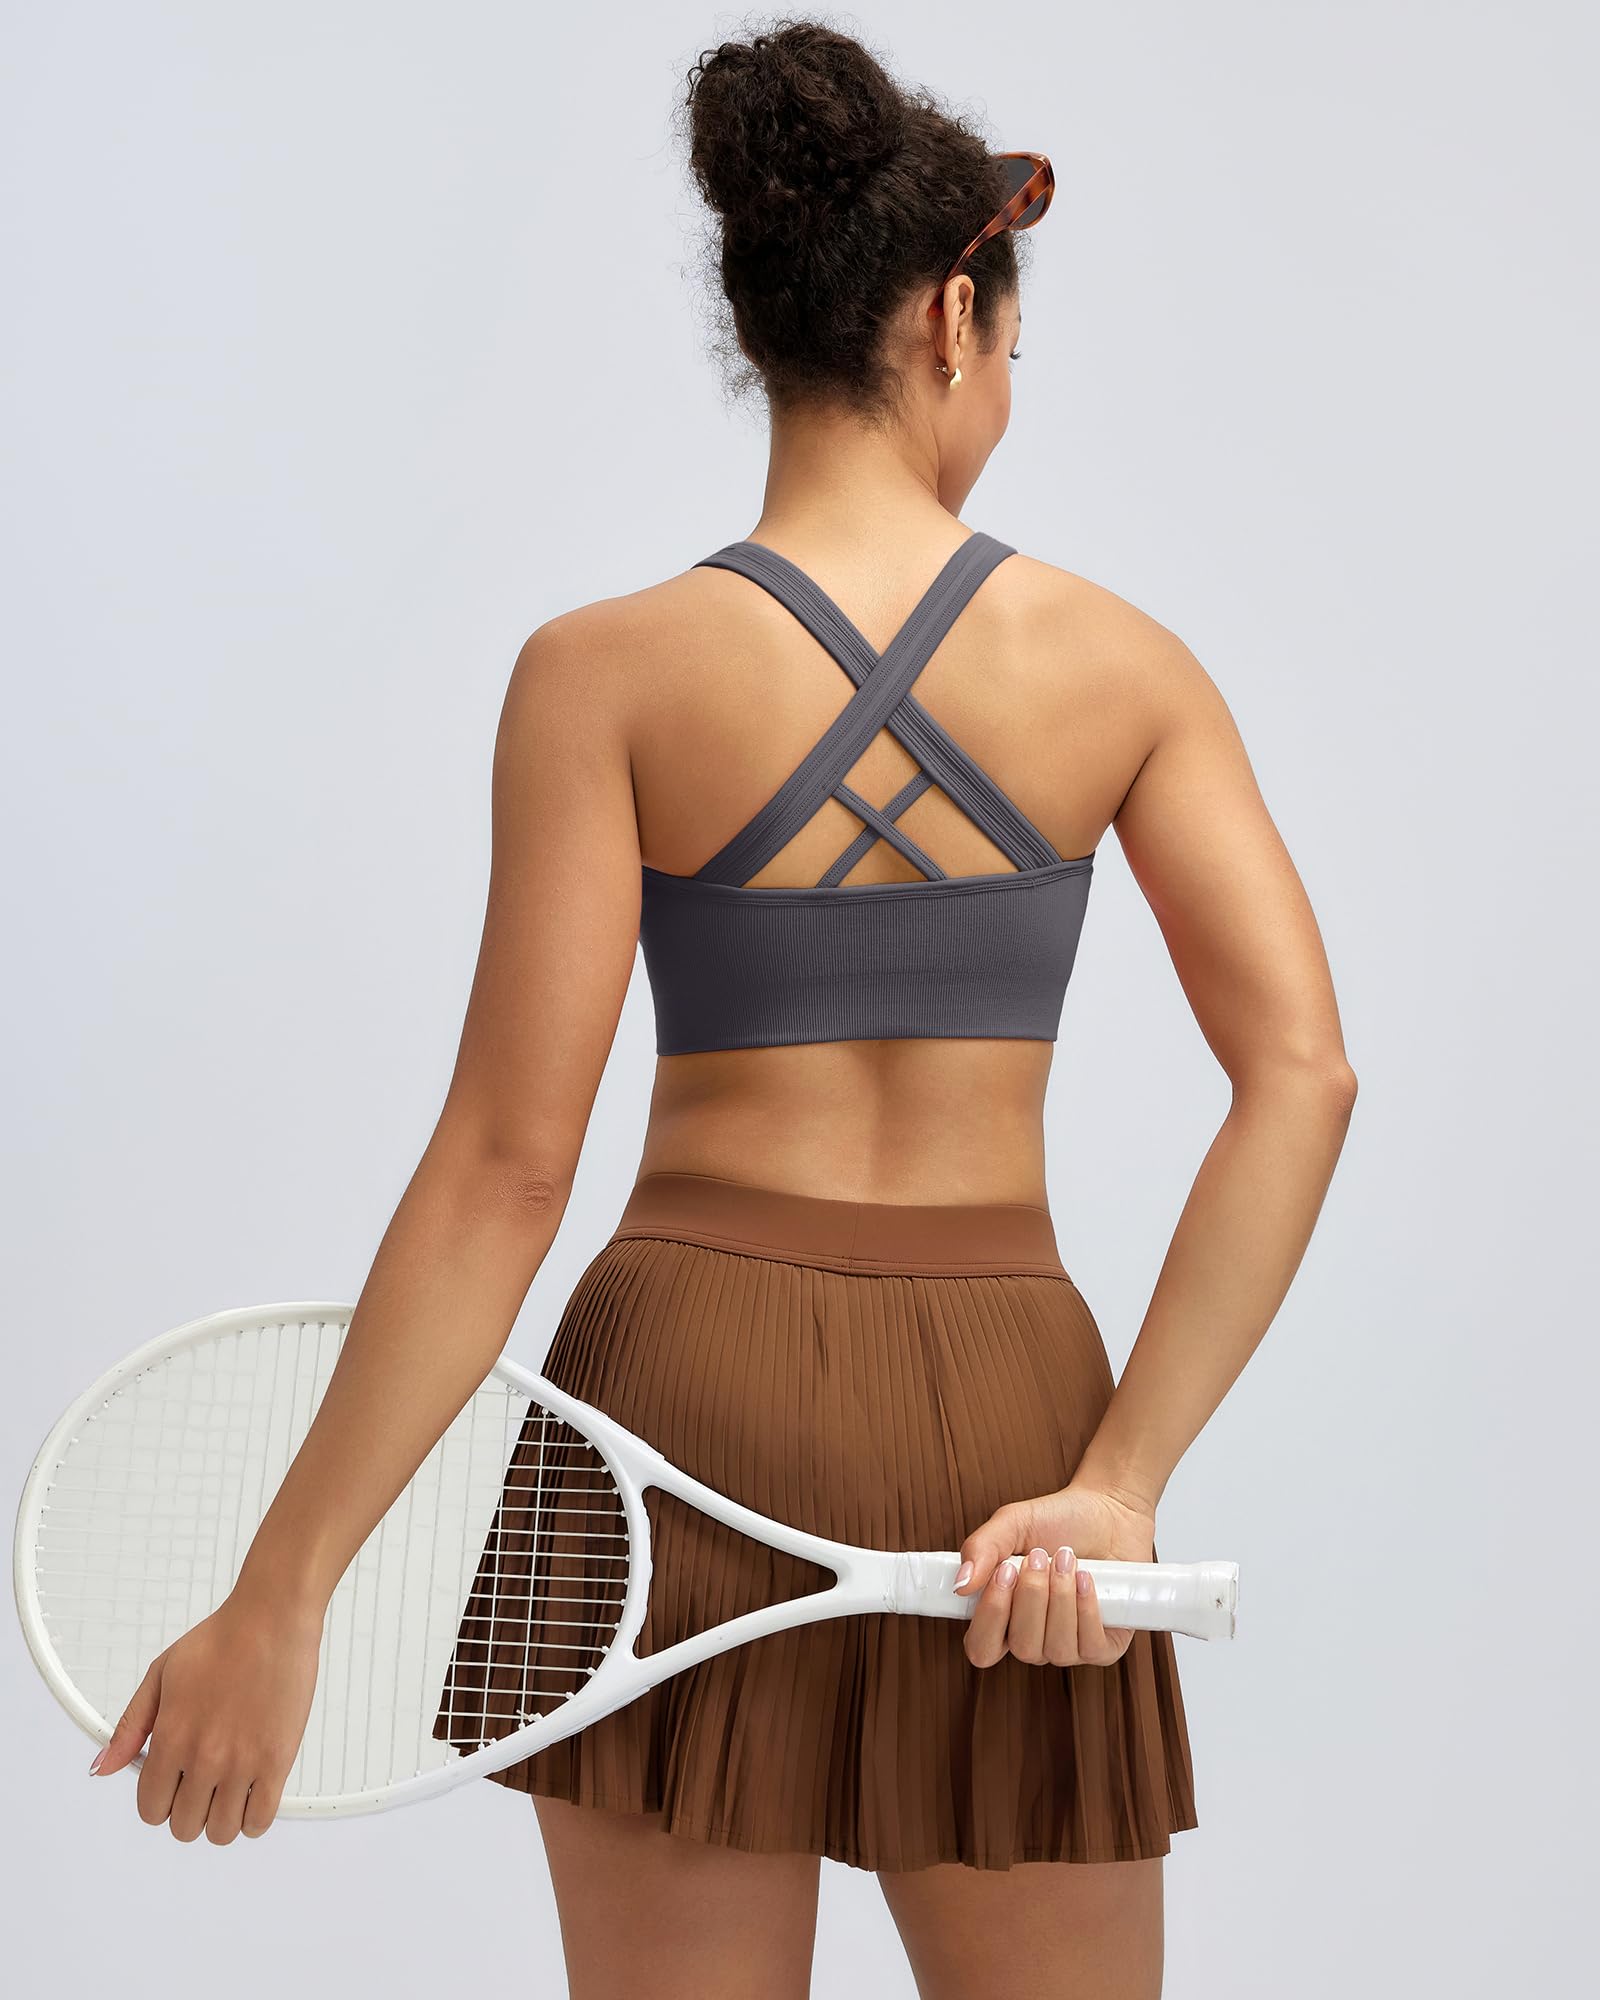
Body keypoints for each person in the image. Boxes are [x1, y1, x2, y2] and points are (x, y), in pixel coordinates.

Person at [90, 20, 1357, 2000]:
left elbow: (505, 1172)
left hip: (671, 1401)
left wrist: (285, 1592)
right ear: (950, 319)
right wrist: (1117, 1478)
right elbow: (1301, 1074)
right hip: (1006, 1412)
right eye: (1013, 348)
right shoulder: (1126, 670)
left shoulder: (599, 673)